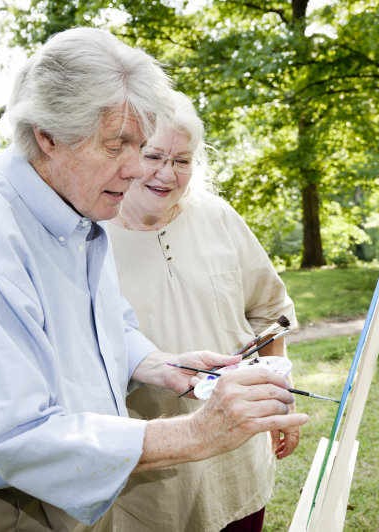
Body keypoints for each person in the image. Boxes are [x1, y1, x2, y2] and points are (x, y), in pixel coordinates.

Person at [0, 27, 309, 531]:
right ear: (48, 137)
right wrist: (199, 434)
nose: (139, 170)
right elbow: (21, 436)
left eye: (143, 146)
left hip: (84, 474)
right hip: (3, 503)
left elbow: (99, 320)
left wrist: (156, 363)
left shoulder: (75, 204)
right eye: (119, 146)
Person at [106, 91, 300, 532]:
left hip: (237, 460)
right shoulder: (88, 237)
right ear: (128, 155)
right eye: (154, 156)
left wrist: (278, 399)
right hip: (148, 476)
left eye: (182, 160)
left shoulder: (219, 217)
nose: (166, 173)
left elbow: (270, 313)